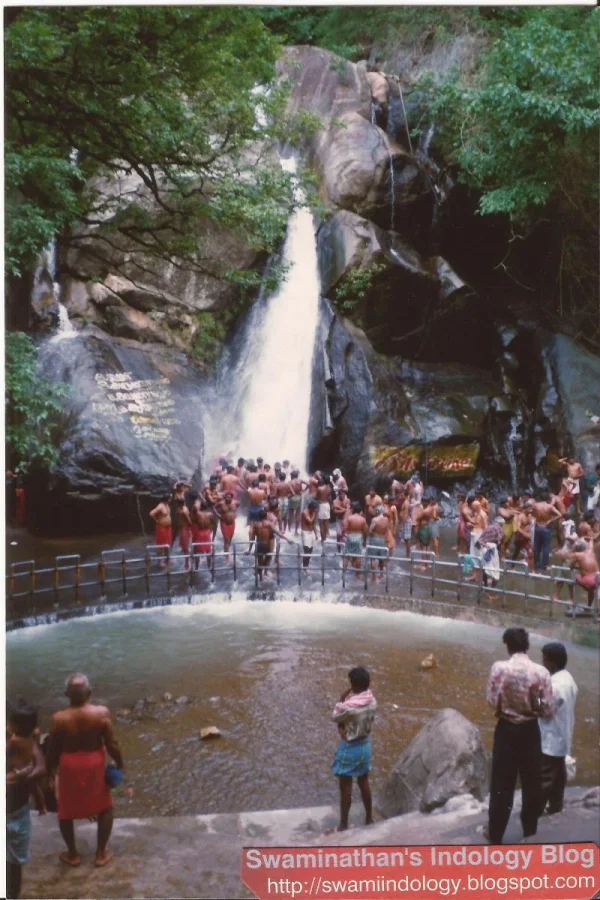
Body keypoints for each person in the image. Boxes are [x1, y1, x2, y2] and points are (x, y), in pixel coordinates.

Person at [46, 673, 124, 868]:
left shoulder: (59, 719)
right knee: (105, 807)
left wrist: (50, 771)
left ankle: (73, 854)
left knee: (65, 810)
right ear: (89, 692)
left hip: (69, 765)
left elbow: (52, 750)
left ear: (66, 694)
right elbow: (112, 744)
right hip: (94, 763)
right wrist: (120, 762)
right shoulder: (101, 713)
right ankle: (100, 854)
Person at [486, 628, 553, 844]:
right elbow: (547, 708)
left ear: (508, 646)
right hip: (530, 731)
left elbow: (491, 700)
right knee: (531, 782)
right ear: (527, 646)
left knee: (501, 785)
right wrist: (535, 706)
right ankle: (529, 832)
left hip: (505, 729)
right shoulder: (541, 673)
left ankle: (495, 835)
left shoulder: (499, 669)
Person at [6, 702, 46, 900]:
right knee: (14, 862)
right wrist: (21, 774)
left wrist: (18, 775)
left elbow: (40, 768)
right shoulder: (32, 736)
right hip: (16, 808)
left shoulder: (14, 741)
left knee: (12, 861)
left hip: (15, 809)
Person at [330, 667, 377, 832]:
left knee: (345, 786)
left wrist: (341, 698)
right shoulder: (372, 701)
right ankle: (369, 818)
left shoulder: (349, 707)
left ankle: (343, 825)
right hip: (365, 745)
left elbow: (335, 716)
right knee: (364, 782)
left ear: (354, 686)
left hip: (350, 747)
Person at [538, 642, 578, 816]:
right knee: (558, 774)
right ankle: (555, 805)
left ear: (552, 662)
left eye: (544, 660)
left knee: (545, 777)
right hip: (563, 734)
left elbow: (545, 711)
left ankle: (535, 810)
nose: (543, 663)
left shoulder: (555, 685)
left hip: (551, 737)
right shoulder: (568, 679)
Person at [555, 538, 599, 609]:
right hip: (598, 578)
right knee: (591, 589)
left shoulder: (577, 555)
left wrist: (577, 566)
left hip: (589, 580)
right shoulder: (591, 551)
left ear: (578, 548)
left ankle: (575, 596)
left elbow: (570, 566)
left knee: (573, 577)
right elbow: (591, 541)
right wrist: (587, 538)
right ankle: (589, 605)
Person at [253, 509, 293, 580]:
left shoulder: (255, 524)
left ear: (258, 517)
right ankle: (261, 571)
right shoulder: (269, 524)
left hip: (259, 545)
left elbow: (252, 537)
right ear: (266, 516)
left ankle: (260, 578)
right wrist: (287, 539)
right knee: (269, 557)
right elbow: (277, 533)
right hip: (265, 545)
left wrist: (250, 548)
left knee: (260, 562)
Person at [533, 492, 562, 572]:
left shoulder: (535, 505)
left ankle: (536, 564)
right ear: (547, 499)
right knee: (546, 547)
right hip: (546, 527)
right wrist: (550, 520)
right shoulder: (549, 506)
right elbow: (560, 515)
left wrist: (535, 518)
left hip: (537, 526)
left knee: (536, 547)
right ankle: (545, 566)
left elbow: (532, 513)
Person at [477, 517, 505, 600]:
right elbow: (499, 542)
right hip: (492, 550)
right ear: (501, 524)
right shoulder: (499, 529)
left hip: (484, 549)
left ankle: (485, 587)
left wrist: (485, 545)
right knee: (496, 573)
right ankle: (491, 592)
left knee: (485, 569)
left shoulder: (487, 528)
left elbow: (479, 540)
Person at [344, 501, 367, 578]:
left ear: (353, 510)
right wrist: (364, 541)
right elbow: (364, 531)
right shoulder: (363, 519)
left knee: (346, 556)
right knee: (358, 556)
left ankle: (343, 574)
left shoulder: (349, 518)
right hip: (358, 536)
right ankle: (357, 575)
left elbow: (345, 528)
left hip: (350, 536)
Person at [214, 491, 239, 563]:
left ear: (232, 497)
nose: (228, 498)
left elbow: (238, 506)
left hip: (232, 523)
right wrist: (217, 515)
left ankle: (226, 550)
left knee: (230, 539)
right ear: (224, 497)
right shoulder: (221, 503)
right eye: (226, 497)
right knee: (226, 539)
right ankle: (227, 557)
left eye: (229, 497)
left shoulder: (235, 503)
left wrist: (235, 514)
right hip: (224, 522)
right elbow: (214, 507)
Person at [367, 505, 390, 581]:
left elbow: (370, 531)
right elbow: (387, 529)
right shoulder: (386, 519)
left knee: (373, 559)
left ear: (377, 511)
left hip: (375, 539)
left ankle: (373, 576)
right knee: (382, 558)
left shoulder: (374, 520)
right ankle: (381, 574)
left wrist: (371, 534)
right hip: (382, 539)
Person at [190, 498, 214, 570]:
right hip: (207, 532)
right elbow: (214, 523)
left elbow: (192, 520)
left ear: (200, 507)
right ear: (207, 508)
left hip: (200, 532)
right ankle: (209, 567)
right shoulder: (210, 514)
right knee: (208, 550)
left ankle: (196, 568)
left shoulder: (198, 514)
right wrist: (211, 531)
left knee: (197, 551)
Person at [149, 495, 172, 567]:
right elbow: (151, 513)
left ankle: (167, 559)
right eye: (170, 498)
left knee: (167, 544)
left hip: (167, 528)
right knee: (160, 545)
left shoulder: (166, 504)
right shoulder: (160, 506)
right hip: (161, 528)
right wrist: (157, 520)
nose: (171, 499)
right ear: (167, 499)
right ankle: (159, 562)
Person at [300, 500, 319, 575]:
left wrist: (316, 533)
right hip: (305, 533)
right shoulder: (305, 512)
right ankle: (305, 567)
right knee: (306, 551)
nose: (315, 510)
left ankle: (306, 566)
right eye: (314, 509)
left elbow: (313, 524)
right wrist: (314, 514)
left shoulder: (312, 512)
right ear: (311, 508)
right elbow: (310, 521)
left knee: (310, 551)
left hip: (311, 533)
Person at [173, 498, 192, 569]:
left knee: (185, 547)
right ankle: (188, 559)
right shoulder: (183, 508)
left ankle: (187, 564)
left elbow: (189, 522)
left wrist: (188, 529)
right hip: (182, 528)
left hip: (184, 528)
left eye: (177, 503)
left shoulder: (183, 511)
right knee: (184, 546)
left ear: (179, 504)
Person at [332, 489, 351, 554]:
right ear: (339, 495)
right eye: (341, 494)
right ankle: (338, 550)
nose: (342, 496)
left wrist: (339, 508)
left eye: (343, 494)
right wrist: (343, 509)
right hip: (339, 519)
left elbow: (348, 510)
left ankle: (346, 549)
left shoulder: (347, 500)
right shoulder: (335, 501)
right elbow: (334, 511)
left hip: (346, 519)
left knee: (346, 535)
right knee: (338, 535)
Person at [316, 477, 332, 542]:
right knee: (326, 522)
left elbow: (317, 497)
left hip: (321, 505)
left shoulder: (319, 489)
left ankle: (323, 539)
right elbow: (330, 498)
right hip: (327, 505)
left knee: (321, 523)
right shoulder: (329, 488)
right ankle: (325, 537)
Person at [288, 470, 303, 535]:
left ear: (292, 476)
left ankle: (289, 529)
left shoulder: (290, 482)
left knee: (290, 514)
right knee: (298, 514)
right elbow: (308, 484)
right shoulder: (300, 481)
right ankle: (296, 531)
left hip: (292, 498)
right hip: (298, 497)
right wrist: (303, 490)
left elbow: (289, 491)